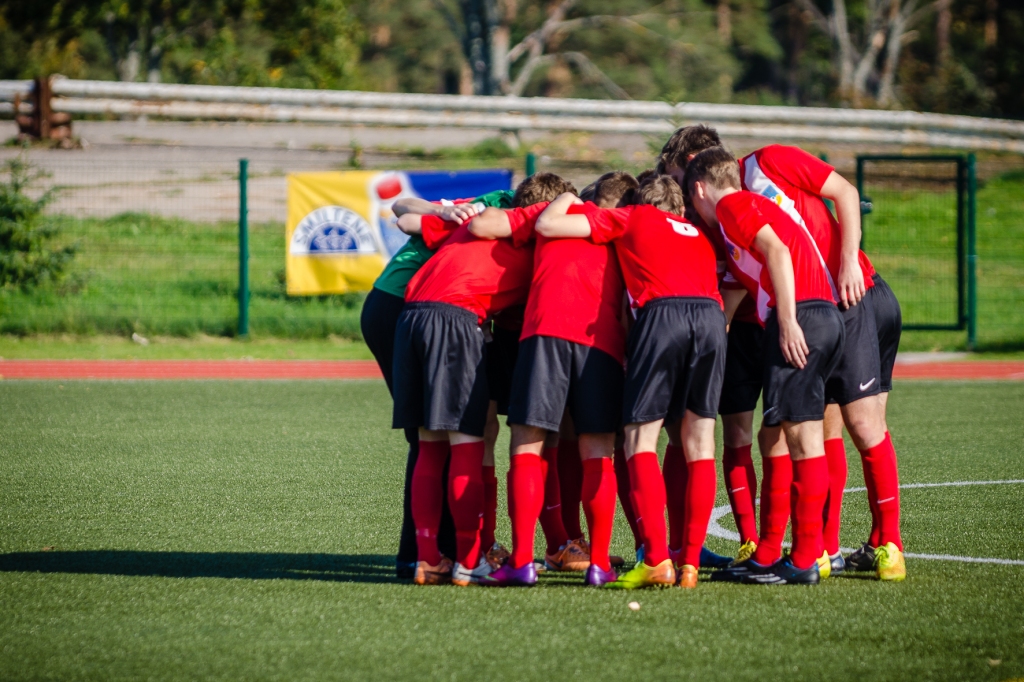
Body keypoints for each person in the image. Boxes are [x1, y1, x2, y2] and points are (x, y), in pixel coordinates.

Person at [659, 125, 906, 582]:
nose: (685, 204)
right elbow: (740, 279)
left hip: (841, 299)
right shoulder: (728, 214)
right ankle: (801, 551)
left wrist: (843, 264)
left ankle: (839, 550)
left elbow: (838, 198)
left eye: (684, 184)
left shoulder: (757, 176)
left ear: (699, 170)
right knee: (797, 431)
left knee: (844, 427)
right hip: (814, 311)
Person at [534, 175, 726, 590]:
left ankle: (656, 558)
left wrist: (568, 197)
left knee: (639, 441)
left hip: (663, 315)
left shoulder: (633, 217)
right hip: (712, 318)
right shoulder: (699, 233)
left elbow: (549, 225)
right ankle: (689, 562)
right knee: (701, 442)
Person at [392, 172, 574, 586]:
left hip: (411, 319)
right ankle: (469, 561)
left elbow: (404, 217)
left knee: (430, 446)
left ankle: (428, 560)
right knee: (467, 447)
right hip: (455, 322)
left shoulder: (471, 225)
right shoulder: (539, 235)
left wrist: (445, 211)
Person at [468, 171, 637, 587]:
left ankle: (523, 562)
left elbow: (485, 223)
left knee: (528, 443)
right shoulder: (630, 224)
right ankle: (598, 564)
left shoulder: (556, 212)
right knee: (598, 449)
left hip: (545, 331)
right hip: (601, 340)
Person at [686, 146, 845, 585]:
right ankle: (773, 551)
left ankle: (803, 559)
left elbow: (776, 251)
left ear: (699, 188)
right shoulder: (750, 206)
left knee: (799, 436)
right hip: (820, 314)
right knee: (774, 433)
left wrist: (789, 319)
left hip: (803, 314)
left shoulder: (734, 205)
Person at [360, 190, 512, 579]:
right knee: (436, 435)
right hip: (407, 303)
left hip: (406, 306)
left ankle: (429, 552)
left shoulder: (499, 207)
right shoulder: (496, 205)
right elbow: (403, 211)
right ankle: (431, 552)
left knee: (431, 436)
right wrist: (445, 211)